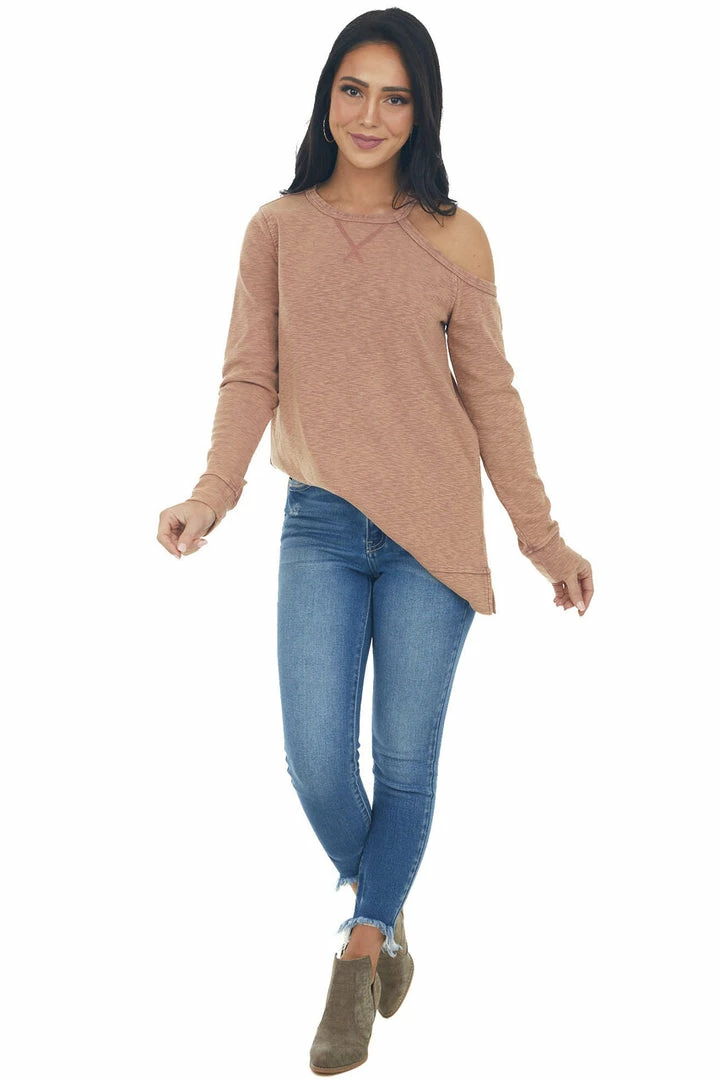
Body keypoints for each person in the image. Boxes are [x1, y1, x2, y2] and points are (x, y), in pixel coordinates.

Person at [157, 7, 594, 1074]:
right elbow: (250, 375)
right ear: (326, 97)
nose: (370, 115)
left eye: (396, 97)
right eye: (352, 89)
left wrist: (542, 540)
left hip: (432, 536)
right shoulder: (276, 227)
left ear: (422, 111)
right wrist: (212, 495)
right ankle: (388, 913)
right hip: (316, 524)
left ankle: (356, 954)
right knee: (315, 761)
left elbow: (492, 398)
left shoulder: (456, 237)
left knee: (403, 764)